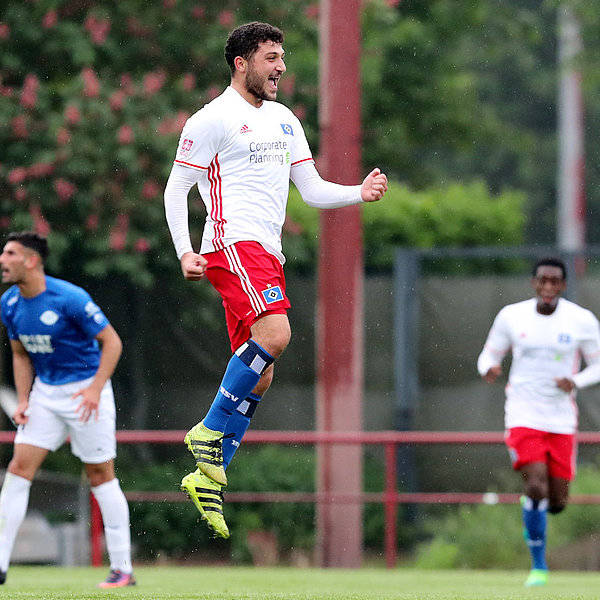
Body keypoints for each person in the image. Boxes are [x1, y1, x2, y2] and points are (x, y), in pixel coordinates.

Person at [164, 21, 388, 539]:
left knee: (261, 373)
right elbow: (176, 190)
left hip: (266, 252)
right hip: (231, 244)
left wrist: (359, 192)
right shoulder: (211, 119)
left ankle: (207, 476)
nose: (280, 66)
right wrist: (183, 251)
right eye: (270, 57)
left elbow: (310, 190)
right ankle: (209, 432)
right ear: (241, 62)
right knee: (276, 336)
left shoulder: (285, 120)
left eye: (282, 56)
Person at [0, 231, 135, 588]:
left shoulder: (69, 298)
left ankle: (122, 569)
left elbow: (112, 343)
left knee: (100, 476)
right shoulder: (9, 303)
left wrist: (93, 390)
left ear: (31, 260)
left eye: (10, 253)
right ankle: (0, 563)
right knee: (17, 469)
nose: (2, 259)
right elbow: (19, 354)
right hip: (45, 395)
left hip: (85, 392)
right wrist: (25, 399)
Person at [477, 257, 600, 587]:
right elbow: (489, 354)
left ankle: (533, 514)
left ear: (562, 285)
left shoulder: (581, 321)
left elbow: (598, 365)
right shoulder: (512, 316)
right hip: (522, 412)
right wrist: (487, 367)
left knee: (557, 502)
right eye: (542, 281)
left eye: (554, 282)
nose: (547, 287)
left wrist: (576, 381)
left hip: (560, 418)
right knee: (535, 484)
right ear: (533, 283)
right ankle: (539, 566)